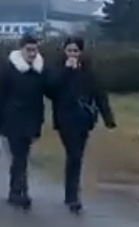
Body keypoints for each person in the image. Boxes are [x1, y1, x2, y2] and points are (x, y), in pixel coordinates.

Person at [47, 37, 116, 214]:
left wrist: (108, 117)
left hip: (83, 119)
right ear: (64, 52)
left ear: (81, 53)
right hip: (64, 119)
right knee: (74, 154)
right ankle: (72, 195)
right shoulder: (57, 70)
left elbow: (100, 94)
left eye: (75, 51)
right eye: (69, 51)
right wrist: (67, 72)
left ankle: (71, 193)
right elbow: (51, 90)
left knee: (76, 156)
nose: (72, 54)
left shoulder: (88, 72)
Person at [0, 34, 48, 209]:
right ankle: (20, 191)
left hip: (31, 120)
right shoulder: (9, 70)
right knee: (19, 156)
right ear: (21, 49)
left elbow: (44, 95)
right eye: (29, 50)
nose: (32, 53)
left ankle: (16, 190)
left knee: (22, 157)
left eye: (35, 50)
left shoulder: (39, 71)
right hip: (12, 119)